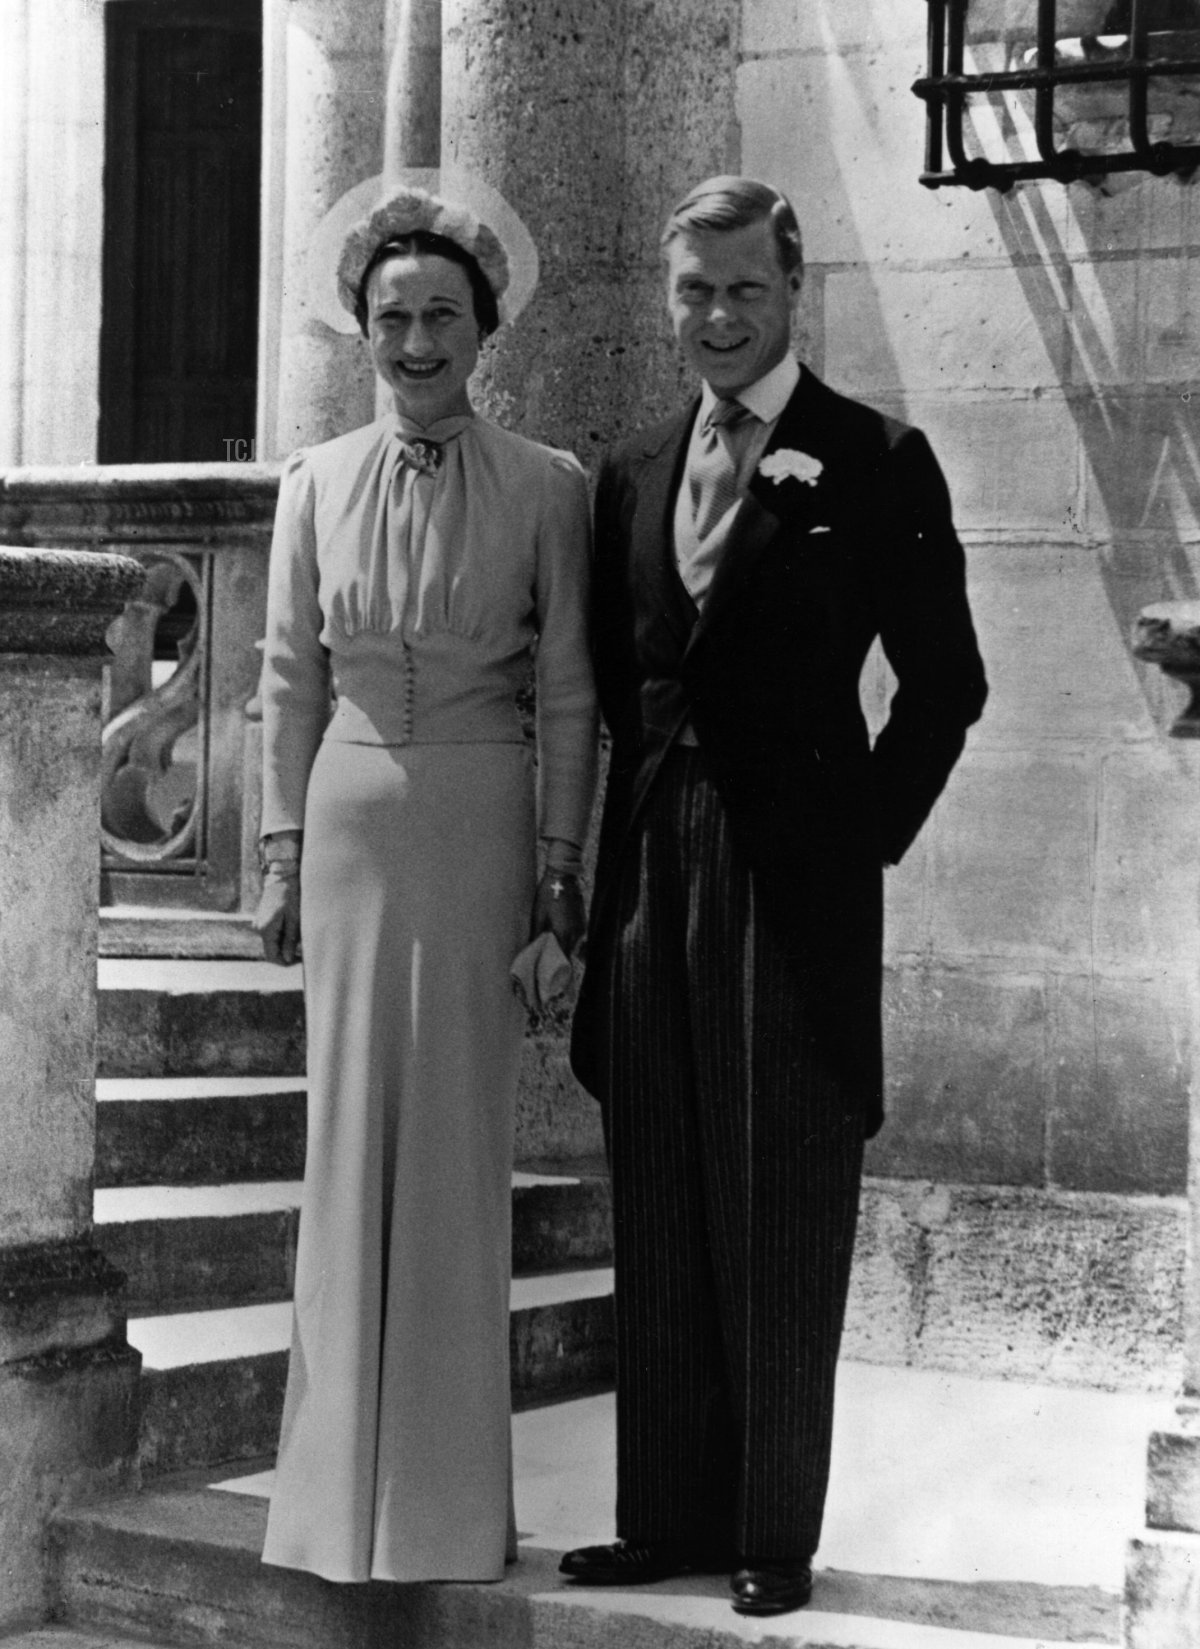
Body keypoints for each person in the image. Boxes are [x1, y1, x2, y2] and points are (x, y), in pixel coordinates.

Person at [564, 175, 987, 1617]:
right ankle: (667, 1513)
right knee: (665, 1183)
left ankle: (769, 1529)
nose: (721, 316)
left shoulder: (871, 456)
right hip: (651, 865)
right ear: (668, 296)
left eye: (746, 289)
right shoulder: (627, 469)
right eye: (696, 290)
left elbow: (946, 685)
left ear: (794, 291)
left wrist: (851, 834)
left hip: (790, 884)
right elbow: (630, 684)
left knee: (781, 1196)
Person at [253, 183, 597, 1585]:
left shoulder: (549, 486)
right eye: (389, 316)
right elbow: (283, 679)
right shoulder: (311, 483)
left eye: (439, 316)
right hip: (343, 827)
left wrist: (560, 880)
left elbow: (571, 689)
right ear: (360, 330)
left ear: (483, 330)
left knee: (454, 1159)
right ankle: (332, 1509)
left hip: (479, 824)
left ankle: (448, 1511)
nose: (412, 340)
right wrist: (277, 848)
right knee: (344, 1152)